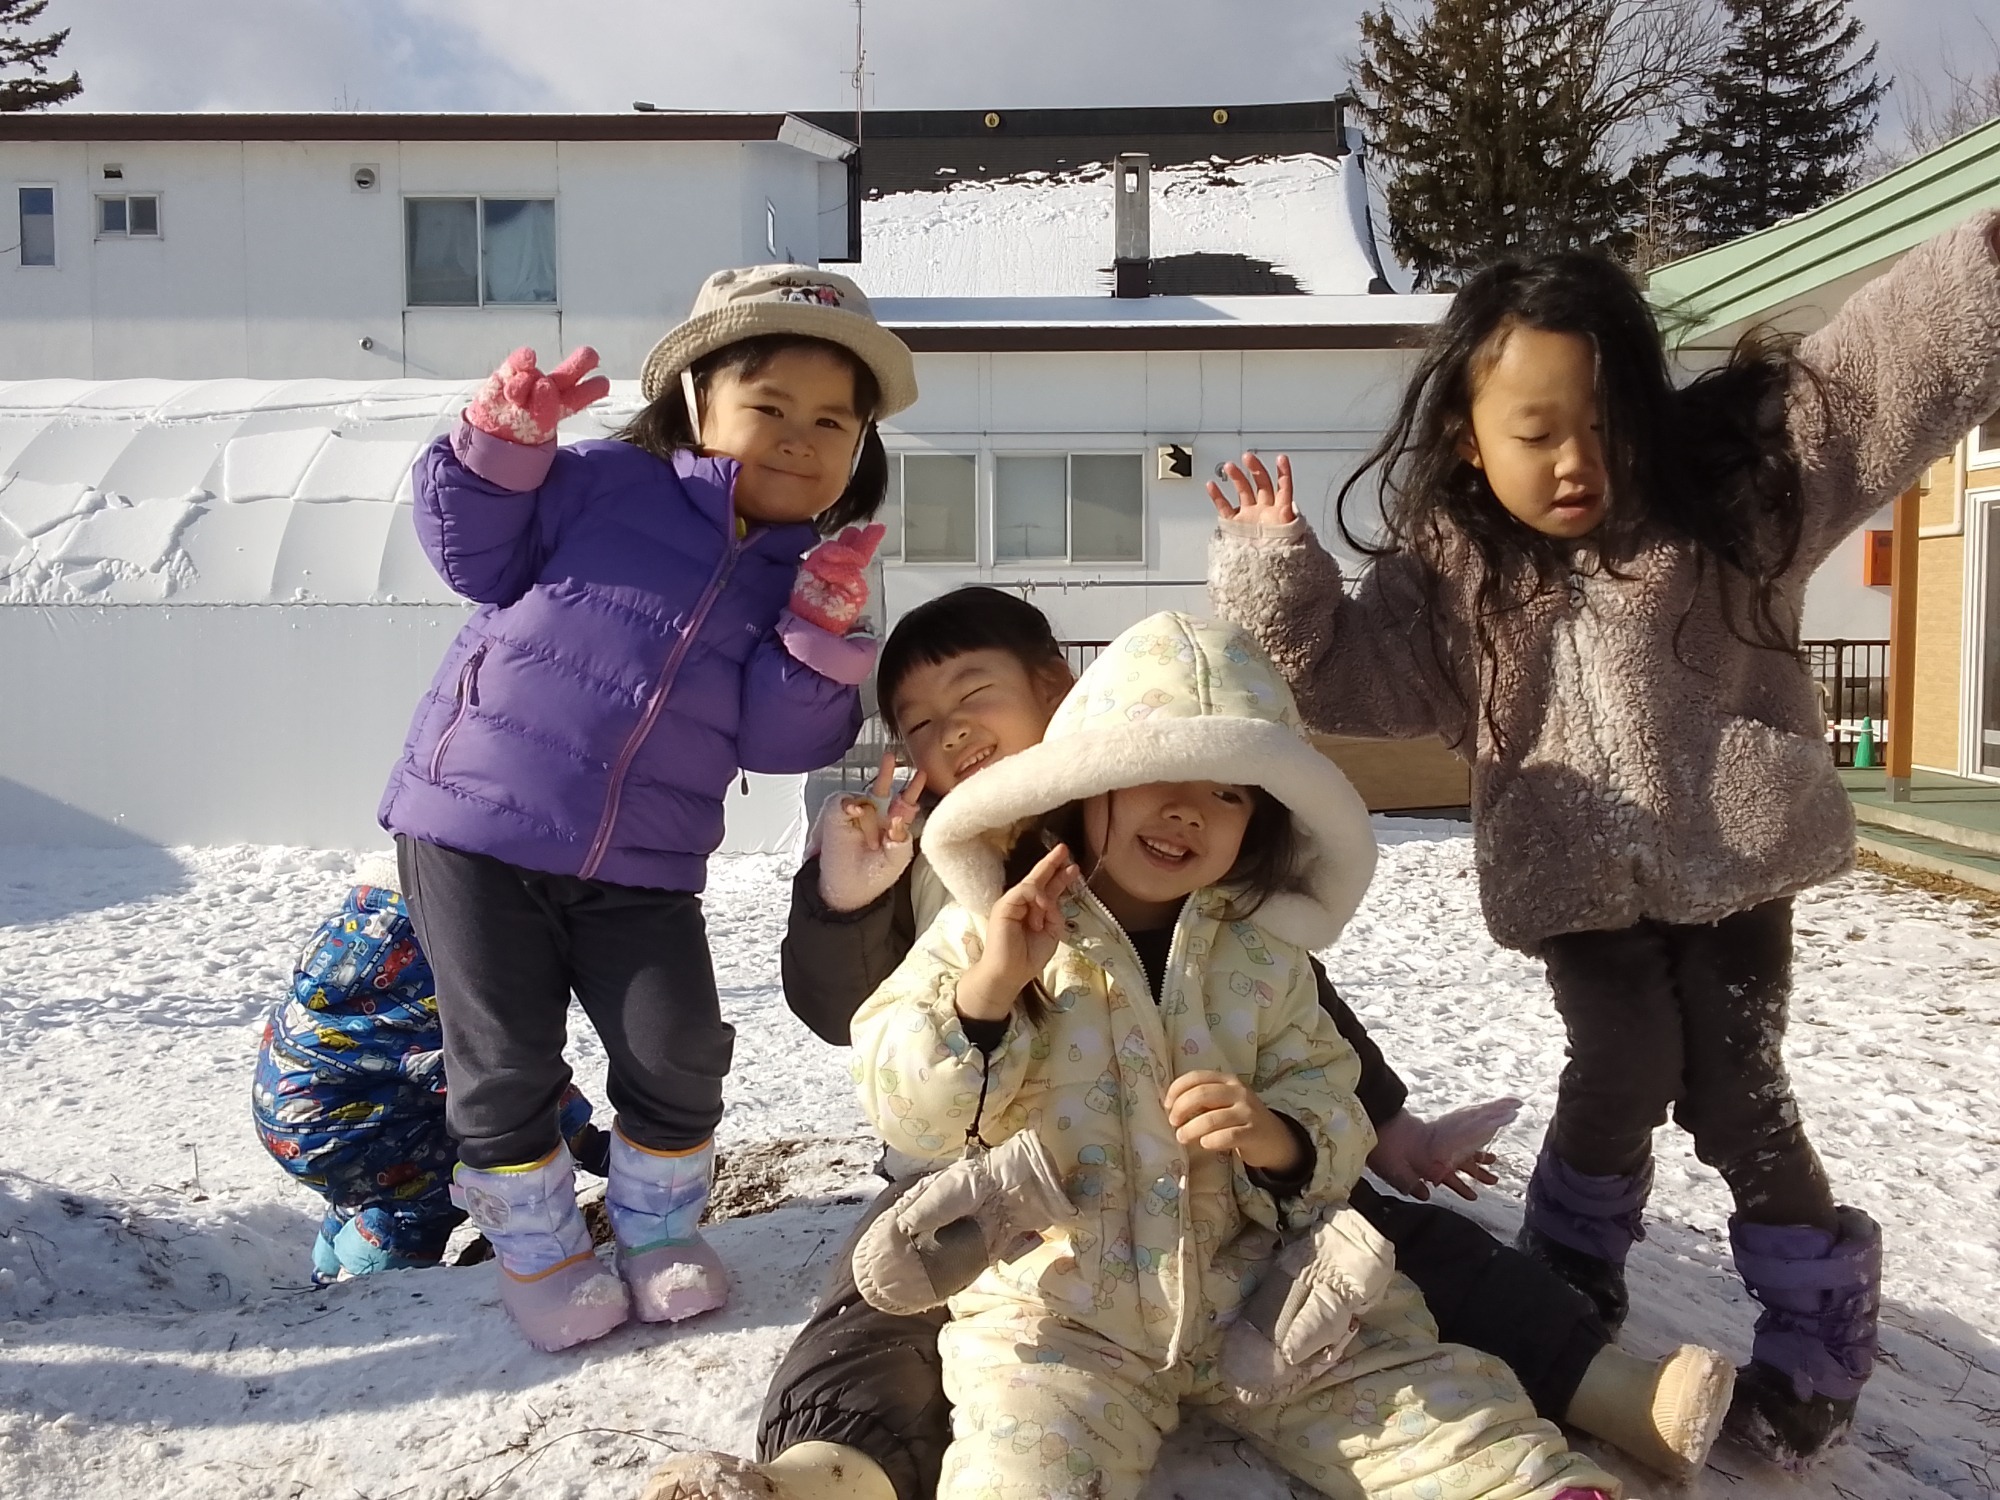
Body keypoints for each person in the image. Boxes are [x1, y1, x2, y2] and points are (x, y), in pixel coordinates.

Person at [1207, 209, 2000, 1467]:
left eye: (1602, 424)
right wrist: (1272, 571)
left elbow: (1869, 379)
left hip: (1735, 857)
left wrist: (1982, 267)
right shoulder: (1457, 571)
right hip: (1573, 869)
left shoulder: (1729, 510)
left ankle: (1815, 1326)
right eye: (1535, 433)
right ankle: (1573, 1271)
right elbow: (1342, 680)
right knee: (1620, 1061)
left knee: (1736, 1091)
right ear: (1469, 441)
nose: (1575, 460)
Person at [640, 589, 1726, 1500]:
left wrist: (1290, 1137)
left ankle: (1546, 1461)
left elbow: (1321, 1066)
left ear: (1058, 707)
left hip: (1250, 1280)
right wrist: (972, 979)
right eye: (920, 721)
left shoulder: (1255, 946)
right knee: (986, 1410)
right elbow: (882, 1064)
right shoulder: (977, 902)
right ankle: (821, 1471)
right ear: (1094, 777)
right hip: (1050, 1286)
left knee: (1400, 1364)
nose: (1189, 812)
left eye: (1225, 791)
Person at [377, 265, 917, 1350]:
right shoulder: (592, 487)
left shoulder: (801, 578)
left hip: (648, 863)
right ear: (692, 403)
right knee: (505, 1057)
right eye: (768, 407)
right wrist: (498, 448)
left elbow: (782, 742)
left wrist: (817, 633)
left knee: (677, 1051)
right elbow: (471, 556)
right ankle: (539, 1254)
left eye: (831, 423)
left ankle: (657, 1234)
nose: (799, 439)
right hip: (476, 827)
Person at [251, 854, 608, 1284]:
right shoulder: (425, 966)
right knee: (442, 1179)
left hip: (299, 1114)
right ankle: (374, 1285)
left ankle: (327, 1264)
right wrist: (583, 1139)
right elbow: (495, 1071)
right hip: (335, 1132)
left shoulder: (354, 942)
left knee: (379, 1167)